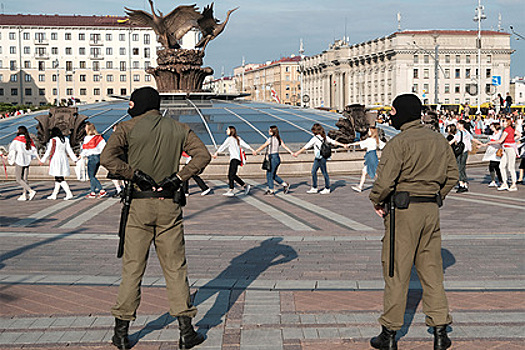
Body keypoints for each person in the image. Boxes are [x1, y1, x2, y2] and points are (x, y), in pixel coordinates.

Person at [100, 87, 210, 350]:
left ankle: (122, 334)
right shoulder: (178, 128)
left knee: (132, 270)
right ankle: (186, 333)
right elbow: (203, 155)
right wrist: (178, 177)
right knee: (175, 269)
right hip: (169, 206)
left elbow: (107, 158)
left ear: (138, 103)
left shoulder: (126, 128)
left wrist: (133, 174)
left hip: (139, 206)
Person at [369, 94, 458, 350]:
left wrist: (376, 200)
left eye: (394, 111)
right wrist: (436, 195)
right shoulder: (438, 140)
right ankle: (440, 331)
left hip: (403, 212)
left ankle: (389, 333)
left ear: (403, 112)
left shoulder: (399, 143)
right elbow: (452, 175)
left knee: (396, 271)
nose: (392, 116)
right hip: (430, 210)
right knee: (432, 272)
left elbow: (384, 182)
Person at [293, 123, 347, 194]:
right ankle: (315, 187)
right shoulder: (324, 137)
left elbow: (306, 146)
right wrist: (343, 145)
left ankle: (326, 188)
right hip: (321, 157)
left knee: (322, 172)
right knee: (314, 171)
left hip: (320, 158)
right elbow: (333, 142)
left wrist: (297, 153)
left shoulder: (315, 138)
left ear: (315, 131)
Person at [212, 126, 256, 197]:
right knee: (233, 175)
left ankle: (231, 190)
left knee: (230, 175)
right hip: (237, 159)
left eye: (227, 129)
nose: (226, 130)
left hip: (234, 159)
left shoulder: (230, 139)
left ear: (231, 131)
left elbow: (223, 146)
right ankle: (245, 186)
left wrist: (216, 153)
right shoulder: (237, 138)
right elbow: (245, 144)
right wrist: (252, 149)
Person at [254, 125, 293, 195]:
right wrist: (291, 152)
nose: (268, 131)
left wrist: (256, 151)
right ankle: (283, 185)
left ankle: (272, 189)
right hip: (277, 158)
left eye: (270, 130)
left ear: (273, 132)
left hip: (272, 158)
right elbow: (285, 146)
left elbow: (263, 146)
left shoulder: (270, 139)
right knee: (272, 174)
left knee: (270, 174)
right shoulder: (278, 139)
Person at [40, 127, 77, 200]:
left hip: (56, 159)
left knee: (59, 177)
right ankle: (54, 194)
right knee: (58, 177)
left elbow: (48, 151)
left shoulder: (53, 140)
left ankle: (69, 193)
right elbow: (69, 150)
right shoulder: (65, 139)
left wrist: (43, 160)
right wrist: (74, 159)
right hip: (63, 158)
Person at [449, 120, 483, 193]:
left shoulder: (459, 133)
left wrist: (445, 145)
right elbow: (473, 139)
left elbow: (453, 140)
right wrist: (482, 144)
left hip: (460, 152)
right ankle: (465, 184)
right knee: (463, 167)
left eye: (458, 124)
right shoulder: (467, 132)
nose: (457, 125)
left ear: (461, 125)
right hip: (465, 151)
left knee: (459, 167)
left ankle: (461, 184)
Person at [349, 126, 385, 193]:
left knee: (374, 172)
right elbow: (383, 145)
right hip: (373, 156)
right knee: (366, 171)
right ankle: (360, 186)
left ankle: (383, 186)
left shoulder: (370, 140)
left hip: (370, 156)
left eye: (369, 131)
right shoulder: (376, 140)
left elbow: (359, 143)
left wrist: (350, 144)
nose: (368, 132)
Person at [6, 126, 39, 201]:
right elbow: (34, 150)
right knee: (25, 179)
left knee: (18, 179)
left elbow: (12, 150)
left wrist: (8, 158)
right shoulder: (28, 140)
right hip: (27, 161)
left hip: (19, 160)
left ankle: (30, 191)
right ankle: (24, 194)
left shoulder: (16, 140)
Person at [486, 117, 518, 191]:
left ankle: (513, 184)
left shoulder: (506, 130)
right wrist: (513, 141)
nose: (502, 123)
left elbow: (500, 141)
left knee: (510, 167)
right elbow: (519, 134)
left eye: (504, 122)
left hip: (509, 149)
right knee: (502, 166)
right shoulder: (511, 129)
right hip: (506, 148)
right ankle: (505, 183)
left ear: (508, 122)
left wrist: (490, 142)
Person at [80, 122, 107, 198]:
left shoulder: (87, 138)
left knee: (91, 176)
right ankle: (92, 192)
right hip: (98, 157)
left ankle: (101, 190)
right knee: (93, 175)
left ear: (88, 129)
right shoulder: (99, 137)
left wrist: (80, 156)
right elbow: (104, 147)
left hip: (91, 158)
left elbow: (85, 149)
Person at [483, 123, 504, 187]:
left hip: (497, 151)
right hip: (492, 151)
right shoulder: (494, 134)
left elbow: (499, 141)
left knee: (497, 166)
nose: (491, 127)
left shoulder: (500, 134)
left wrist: (491, 142)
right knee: (492, 166)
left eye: (492, 126)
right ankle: (494, 180)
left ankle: (500, 180)